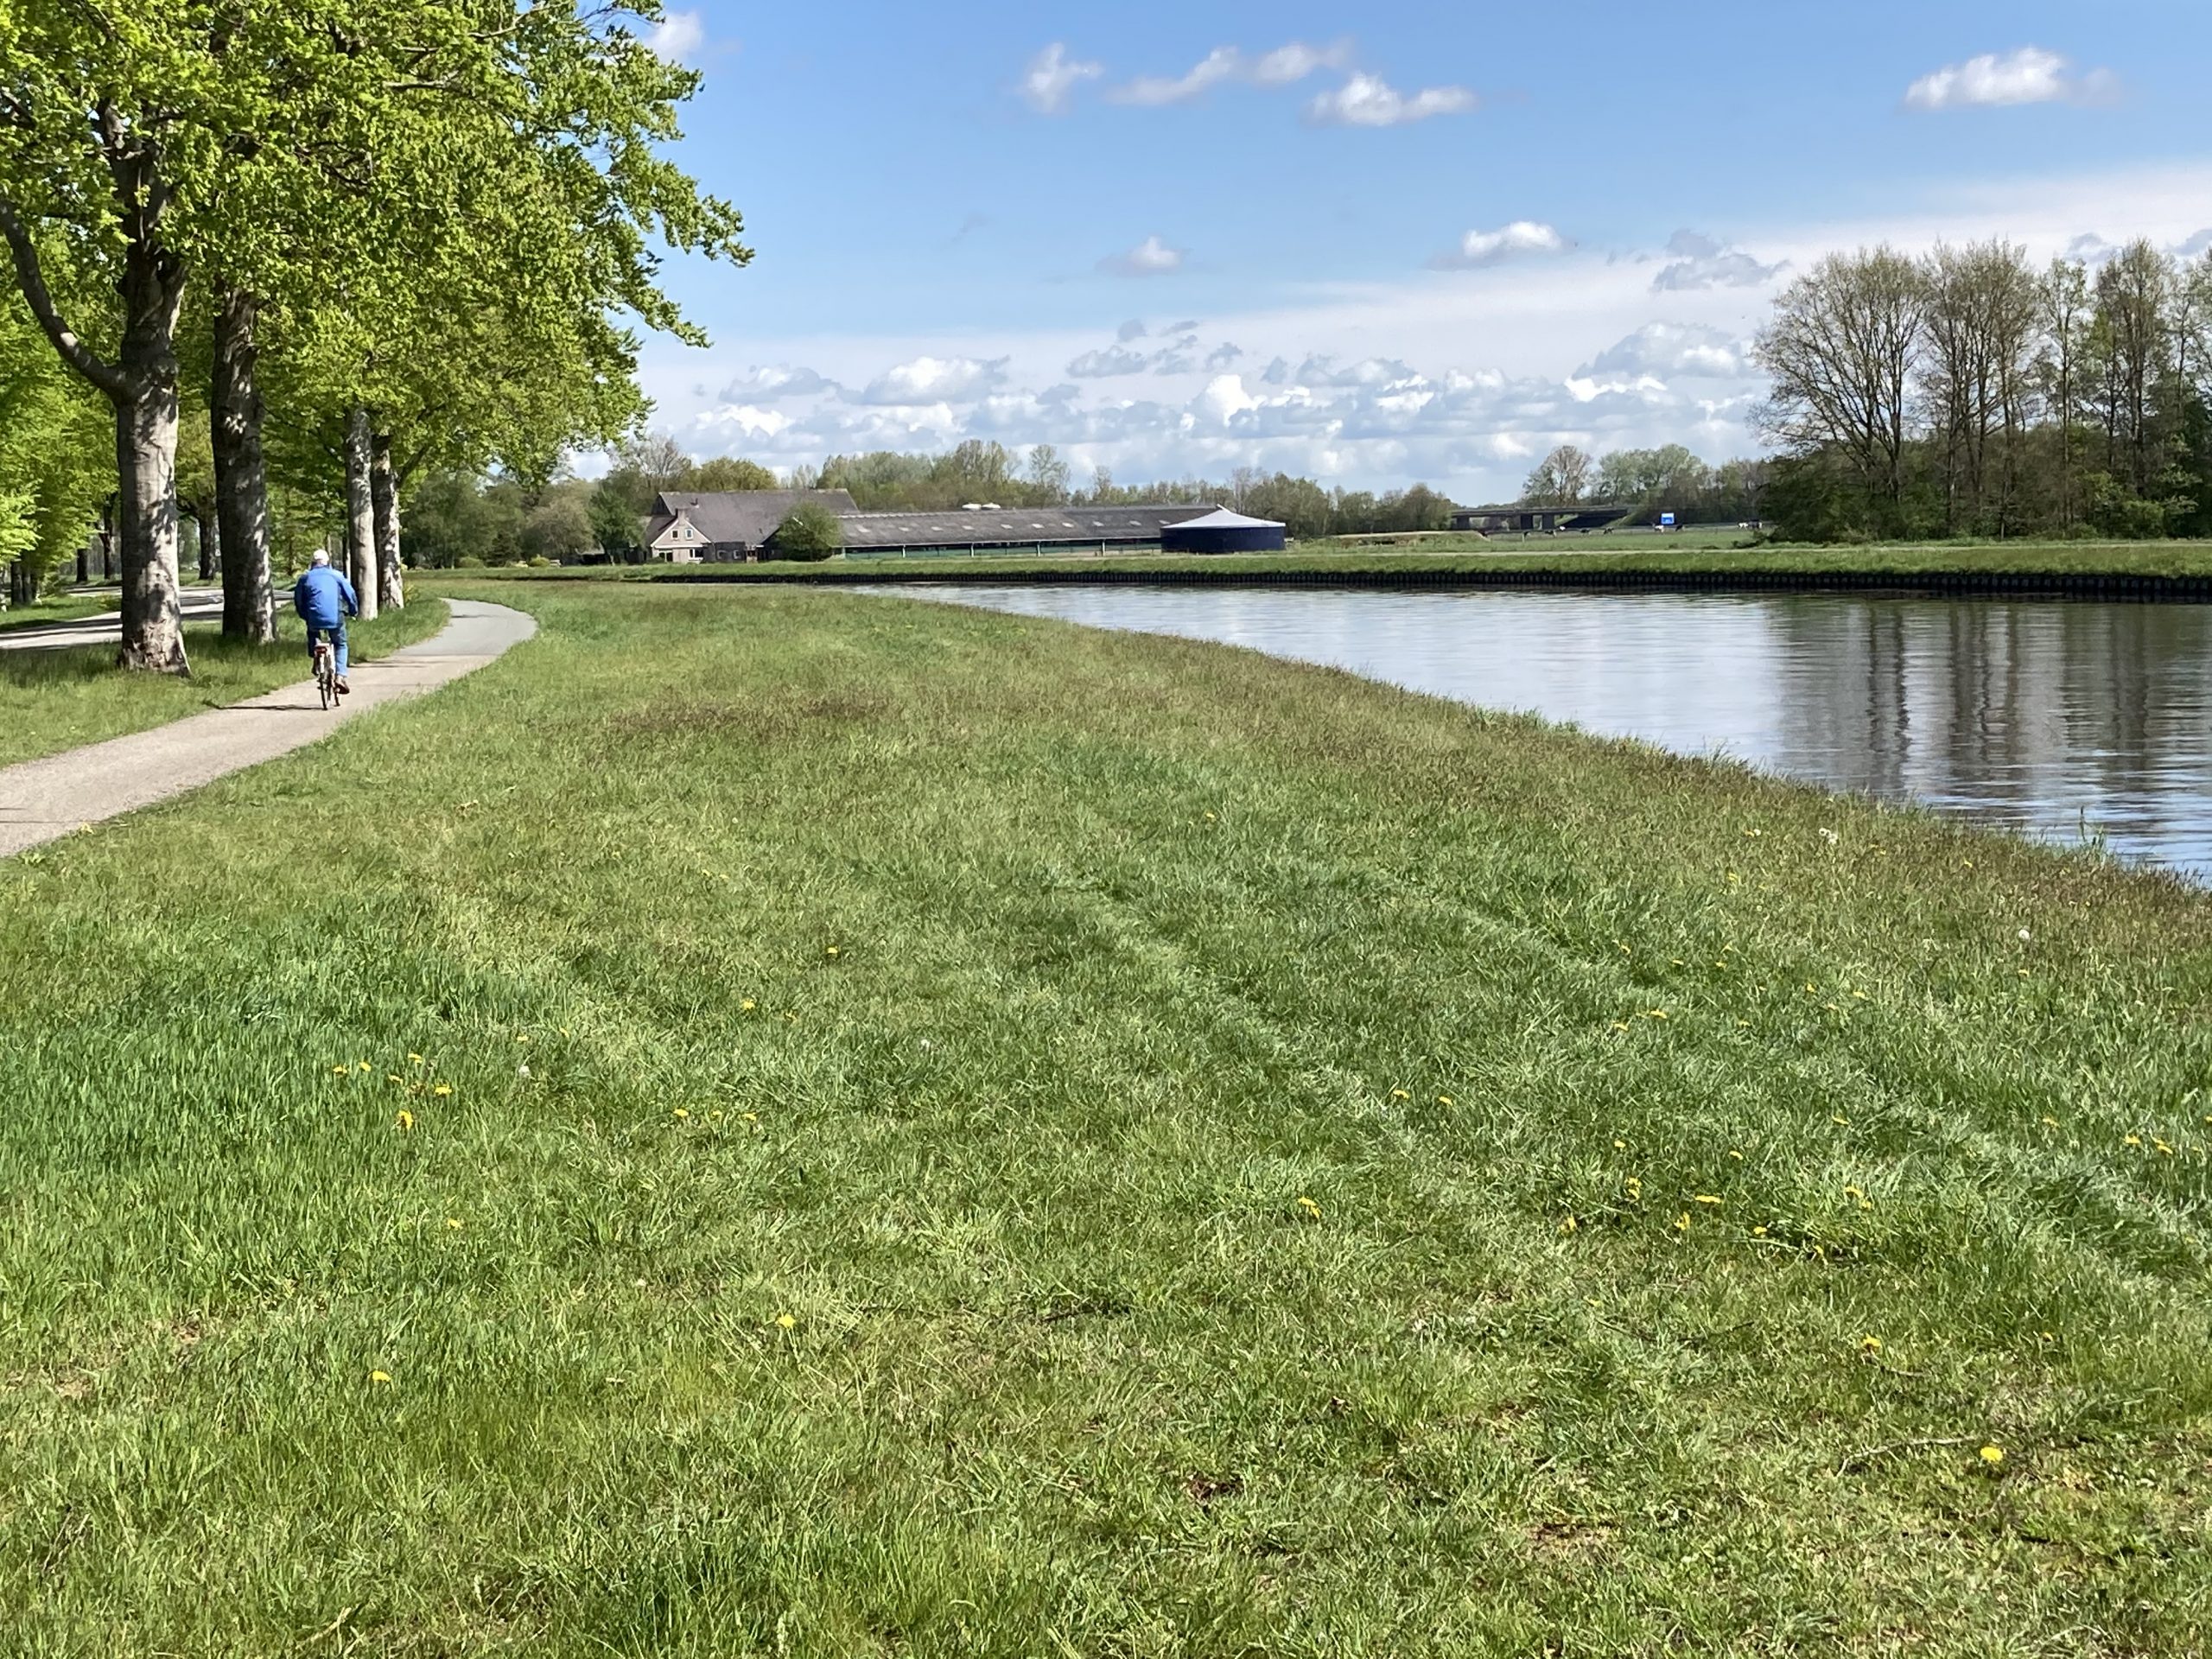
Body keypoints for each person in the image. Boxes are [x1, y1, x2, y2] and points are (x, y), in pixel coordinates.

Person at [293, 550, 359, 695]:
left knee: (312, 633)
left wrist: (304, 615)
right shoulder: (336, 576)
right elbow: (351, 594)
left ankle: (316, 658)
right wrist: (353, 611)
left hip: (313, 618)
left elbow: (298, 600)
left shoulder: (305, 578)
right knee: (340, 644)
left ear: (312, 563)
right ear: (328, 562)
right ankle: (340, 677)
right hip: (335, 618)